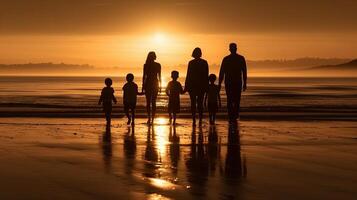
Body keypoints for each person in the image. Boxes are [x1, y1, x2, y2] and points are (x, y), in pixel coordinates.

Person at [219, 43, 247, 122]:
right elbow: (244, 71)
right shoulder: (240, 58)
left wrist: (220, 83)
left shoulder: (227, 59)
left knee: (230, 99)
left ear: (230, 49)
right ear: (236, 49)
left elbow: (222, 72)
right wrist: (245, 82)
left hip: (231, 82)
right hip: (236, 82)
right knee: (236, 99)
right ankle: (234, 115)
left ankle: (231, 115)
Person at [184, 47, 209, 125]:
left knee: (194, 103)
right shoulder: (204, 62)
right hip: (200, 85)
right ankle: (199, 119)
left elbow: (188, 75)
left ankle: (195, 119)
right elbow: (206, 75)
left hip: (193, 85)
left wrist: (186, 86)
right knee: (199, 103)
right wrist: (206, 86)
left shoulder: (191, 63)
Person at [142, 51, 161, 124]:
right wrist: (143, 86)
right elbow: (144, 76)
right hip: (150, 84)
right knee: (151, 102)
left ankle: (151, 118)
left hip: (152, 84)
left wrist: (159, 86)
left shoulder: (148, 65)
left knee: (151, 102)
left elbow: (159, 76)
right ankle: (150, 118)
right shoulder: (146, 65)